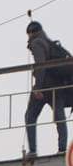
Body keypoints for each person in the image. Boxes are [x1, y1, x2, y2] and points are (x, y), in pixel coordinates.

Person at [25, 21, 72, 157]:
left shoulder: (37, 43)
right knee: (59, 116)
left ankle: (33, 151)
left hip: (44, 86)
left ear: (31, 33)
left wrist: (38, 88)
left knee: (30, 116)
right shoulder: (49, 43)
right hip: (57, 86)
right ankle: (62, 149)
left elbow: (41, 65)